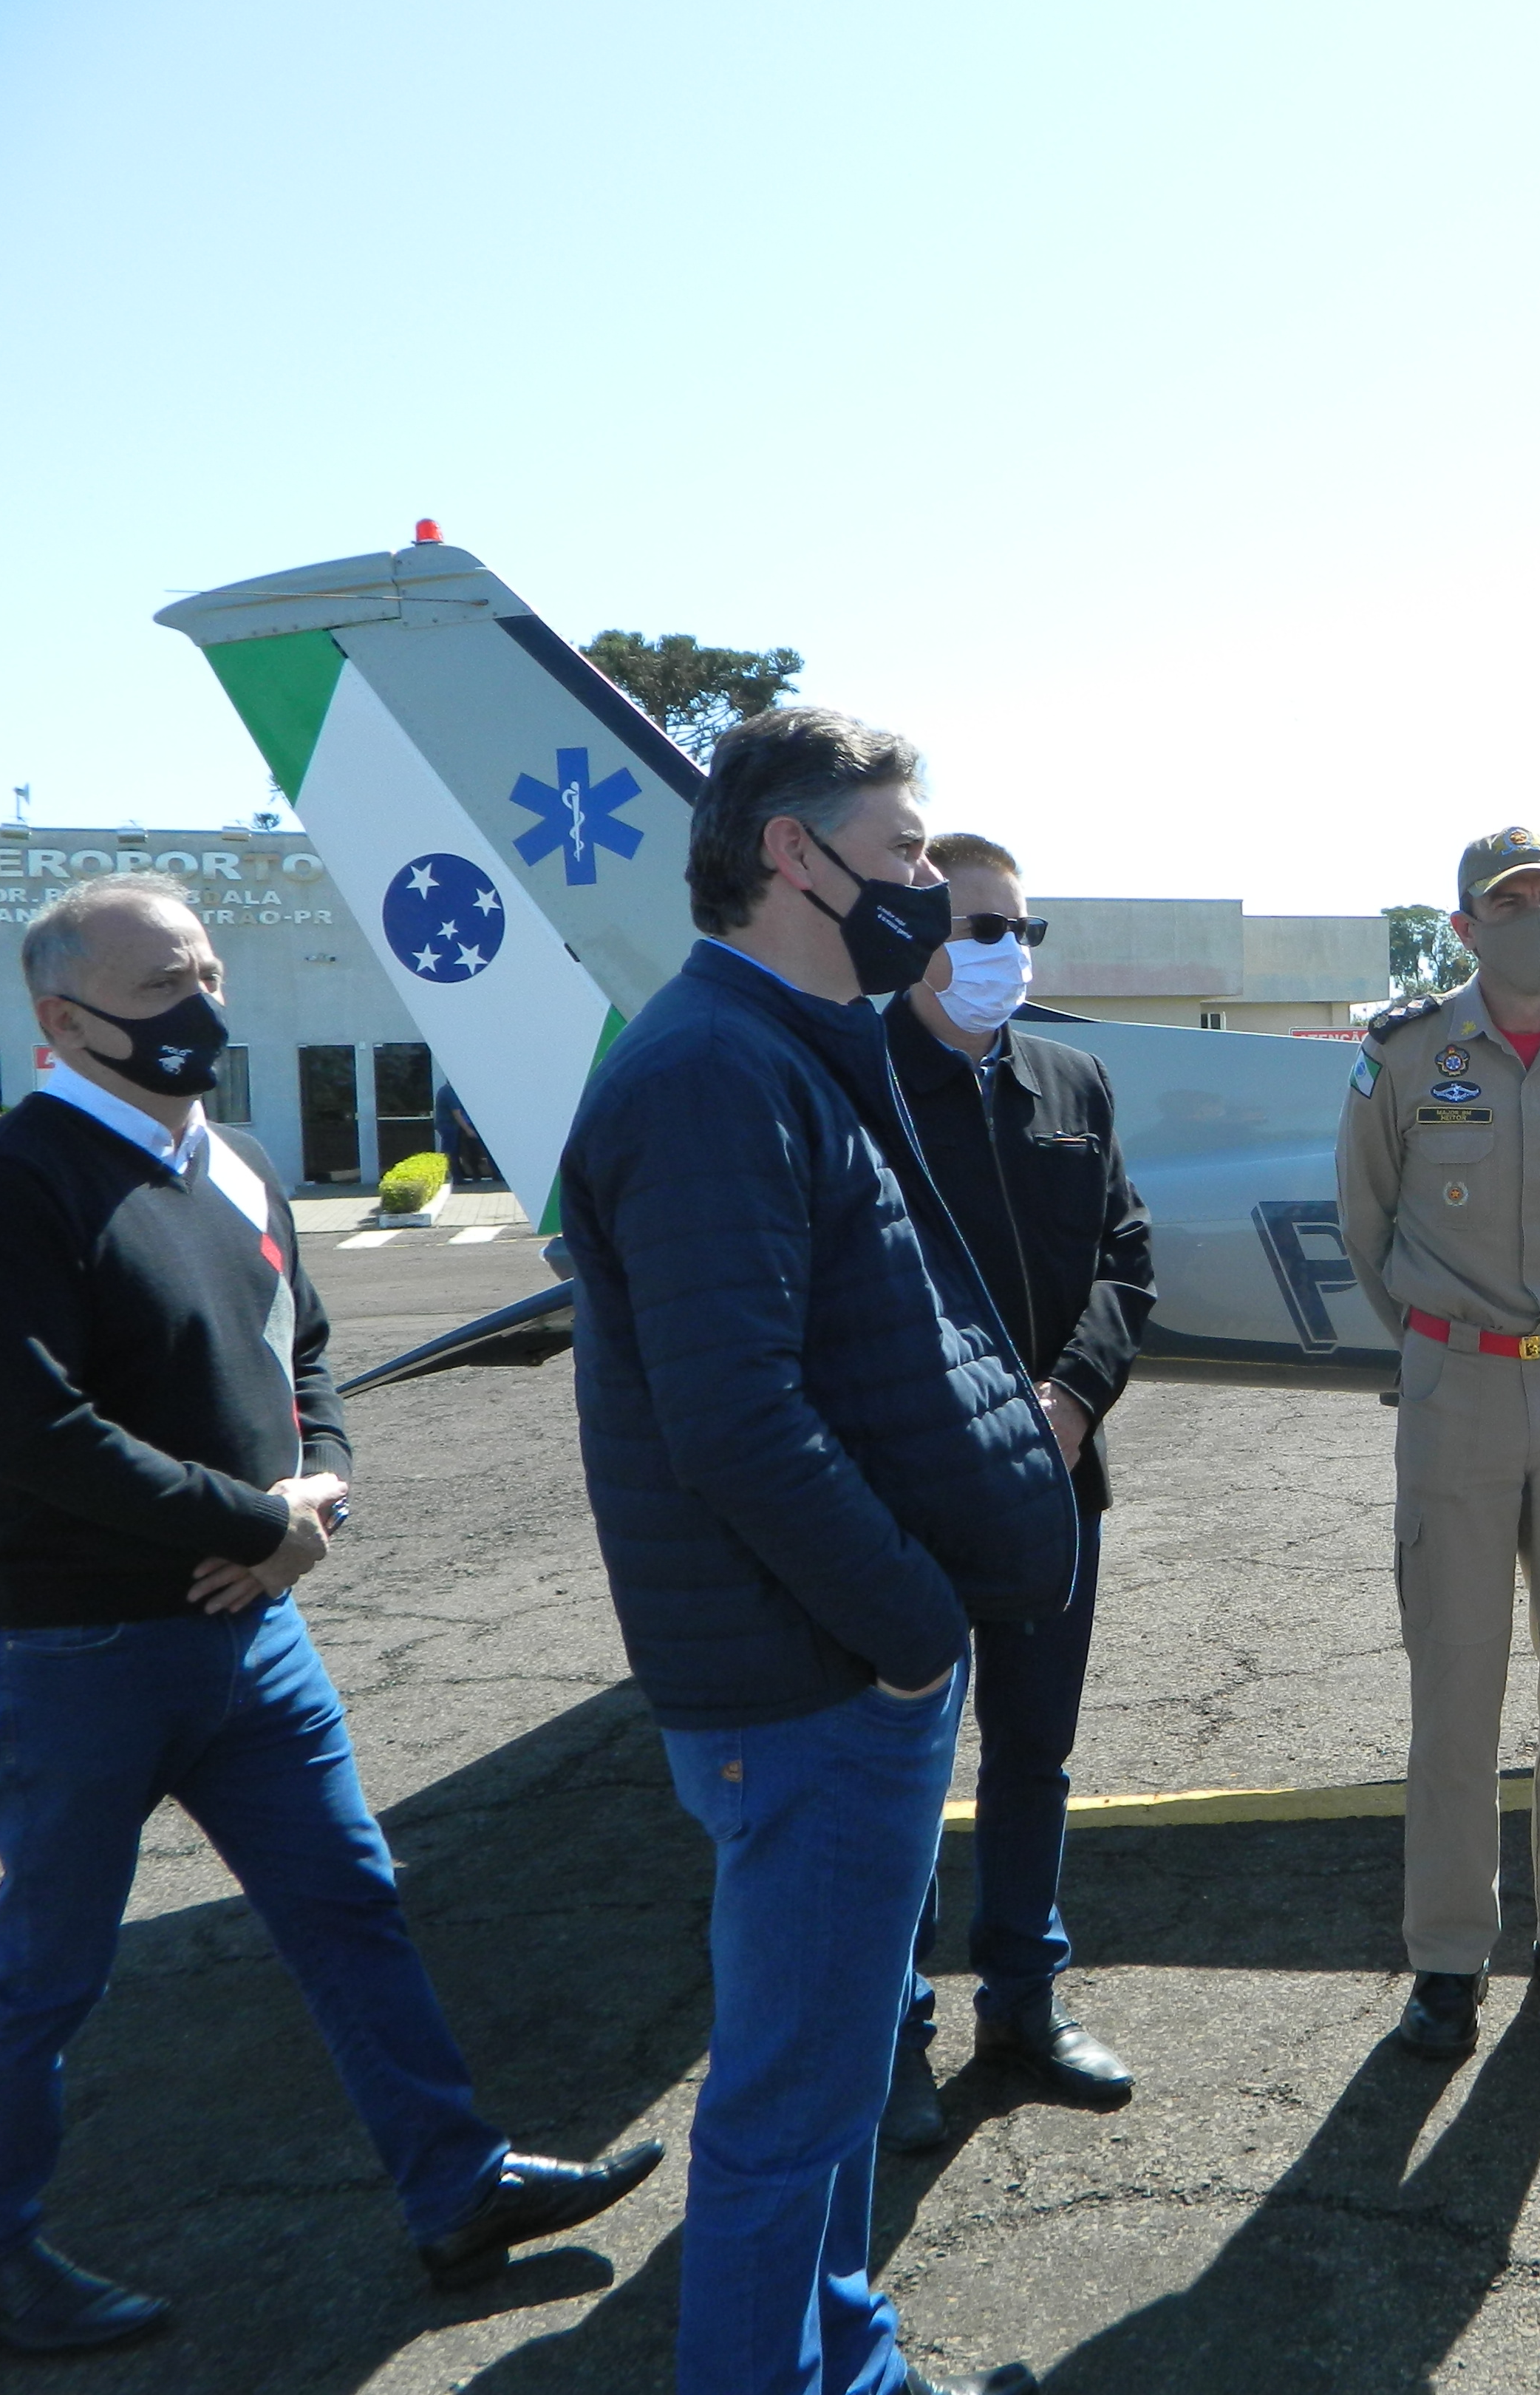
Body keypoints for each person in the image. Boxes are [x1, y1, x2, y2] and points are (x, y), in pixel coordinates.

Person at [0, 874, 655, 2354]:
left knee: (351, 1908)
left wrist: (317, 1498)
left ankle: (456, 2187)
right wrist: (253, 1521)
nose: (198, 1004)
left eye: (205, 969)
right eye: (158, 984)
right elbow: (40, 1430)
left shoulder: (241, 1161)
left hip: (256, 1630)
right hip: (78, 1653)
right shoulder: (8, 1185)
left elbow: (302, 1356)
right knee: (48, 1971)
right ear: (62, 1020)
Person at [562, 711, 1073, 2395]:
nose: (929, 884)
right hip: (813, 1677)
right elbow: (735, 1417)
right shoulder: (717, 1067)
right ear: (797, 854)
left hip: (836, 1666)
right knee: (789, 2102)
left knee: (843, 2071)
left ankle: (847, 2356)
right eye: (907, 849)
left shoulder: (792, 1042)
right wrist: (913, 1630)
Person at [1333, 826, 1540, 2060]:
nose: (1535, 913)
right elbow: (1365, 1215)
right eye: (1508, 899)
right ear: (1466, 925)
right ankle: (1445, 1959)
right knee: (1455, 1694)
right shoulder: (1407, 1053)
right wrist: (1439, 1346)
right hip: (1458, 1394)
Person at [882, 831, 1156, 2135]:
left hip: (1055, 1482)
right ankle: (893, 2036)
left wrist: (1072, 1399)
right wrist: (976, 1423)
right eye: (984, 929)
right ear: (918, 935)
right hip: (913, 1498)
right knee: (900, 1769)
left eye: (1022, 931)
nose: (1011, 953)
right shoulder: (857, 1079)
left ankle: (1023, 2003)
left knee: (1033, 1753)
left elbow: (1125, 1257)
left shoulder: (1072, 1080)